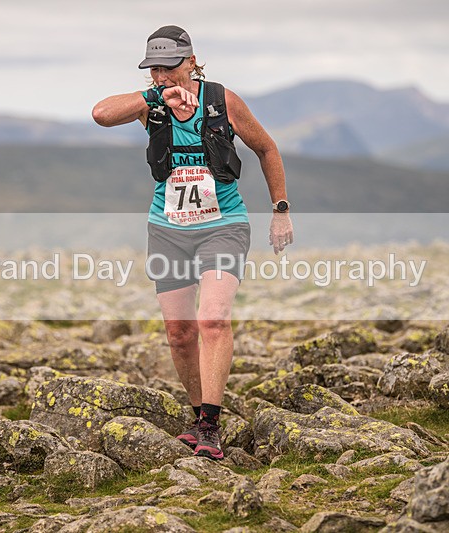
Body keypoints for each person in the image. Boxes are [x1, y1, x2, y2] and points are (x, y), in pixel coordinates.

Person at [92, 25, 293, 460]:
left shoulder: (223, 101)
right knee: (180, 333)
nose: (162, 76)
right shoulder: (152, 105)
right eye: (154, 70)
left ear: (191, 61)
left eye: (170, 67)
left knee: (213, 320)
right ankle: (199, 410)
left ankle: (210, 426)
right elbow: (101, 114)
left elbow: (267, 148)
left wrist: (280, 210)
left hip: (224, 224)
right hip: (167, 229)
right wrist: (153, 99)